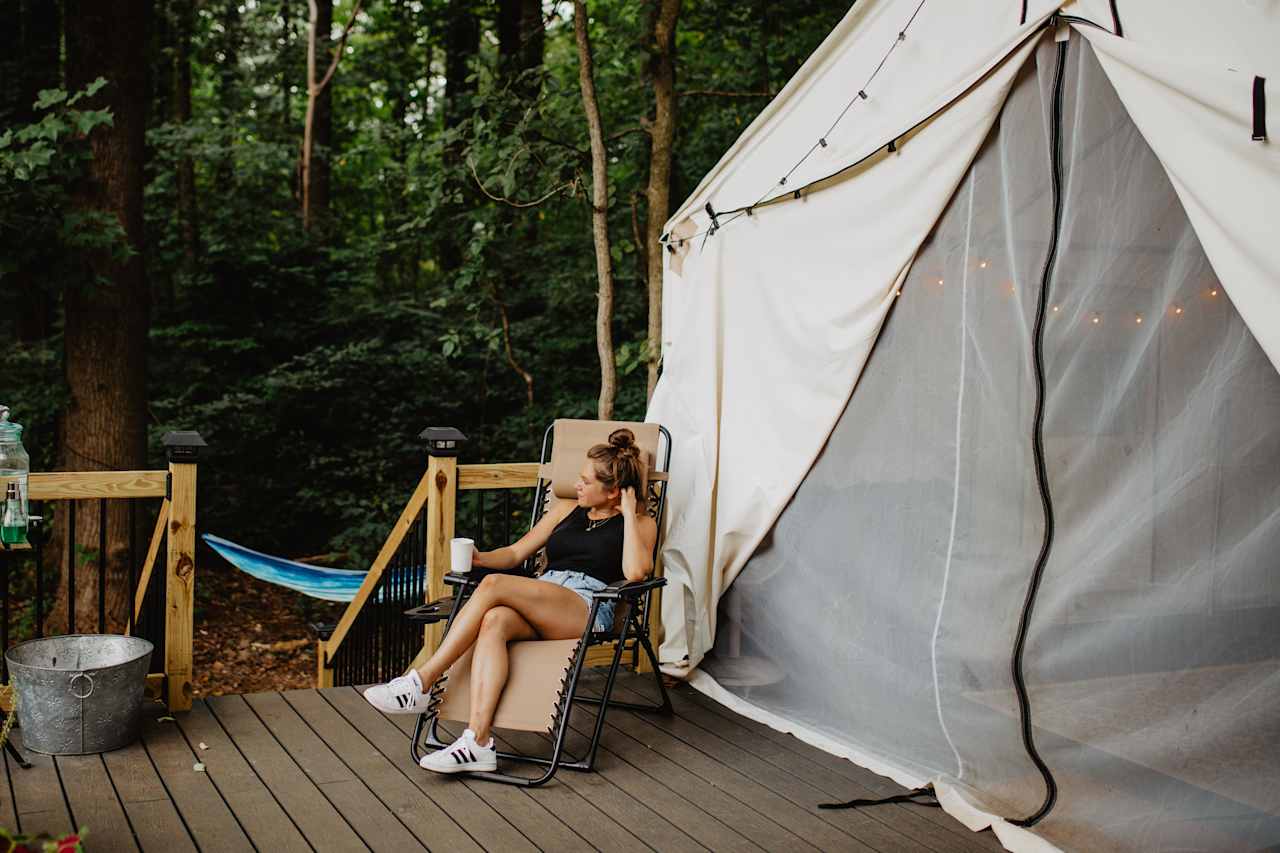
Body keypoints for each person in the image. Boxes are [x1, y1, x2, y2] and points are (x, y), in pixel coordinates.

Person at [362, 428, 658, 773]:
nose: (576, 484)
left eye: (585, 480)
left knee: (493, 587)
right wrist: (481, 558)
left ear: (613, 493)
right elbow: (517, 551)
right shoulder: (565, 510)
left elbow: (636, 573)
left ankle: (422, 681)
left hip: (586, 605)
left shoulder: (639, 523)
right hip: (546, 593)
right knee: (495, 620)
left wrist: (627, 511)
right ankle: (478, 741)